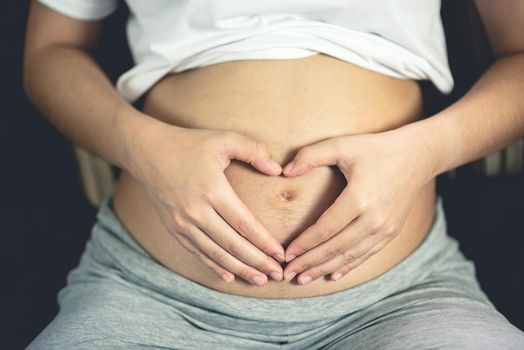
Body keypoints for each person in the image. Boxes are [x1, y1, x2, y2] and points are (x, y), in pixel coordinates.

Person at [23, 0, 524, 349]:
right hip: (150, 294)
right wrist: (144, 147)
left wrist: (427, 151)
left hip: (402, 299)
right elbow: (50, 51)